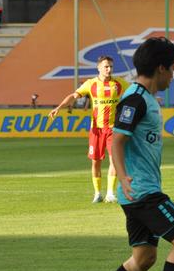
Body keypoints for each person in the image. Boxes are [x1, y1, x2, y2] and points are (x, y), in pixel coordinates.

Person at [85, 37, 174, 271]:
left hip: (134, 192)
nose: (173, 75)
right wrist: (122, 175)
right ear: (160, 68)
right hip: (142, 191)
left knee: (144, 257)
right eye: (172, 68)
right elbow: (116, 141)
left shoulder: (143, 98)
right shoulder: (134, 99)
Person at [48, 56, 129, 203]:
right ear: (98, 68)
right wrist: (59, 108)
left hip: (113, 129)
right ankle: (97, 193)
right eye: (106, 66)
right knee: (96, 162)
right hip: (96, 129)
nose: (109, 69)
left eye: (111, 66)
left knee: (115, 160)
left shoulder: (119, 83)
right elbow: (73, 96)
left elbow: (134, 93)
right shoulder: (90, 84)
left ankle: (110, 193)